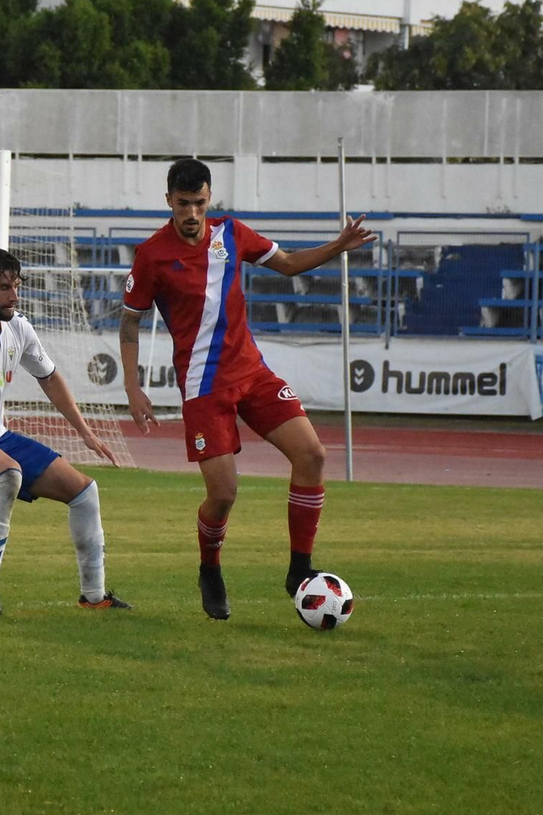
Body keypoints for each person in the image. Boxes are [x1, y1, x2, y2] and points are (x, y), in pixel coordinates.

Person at [119, 158, 375, 620]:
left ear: (209, 198)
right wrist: (133, 387)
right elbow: (130, 321)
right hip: (204, 388)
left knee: (313, 455)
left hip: (253, 374)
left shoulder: (232, 233)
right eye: (182, 204)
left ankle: (300, 568)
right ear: (168, 202)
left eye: (199, 203)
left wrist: (339, 245)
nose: (192, 213)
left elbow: (290, 265)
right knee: (223, 494)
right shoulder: (152, 254)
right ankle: (210, 569)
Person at [0, 245, 131, 615]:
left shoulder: (19, 327)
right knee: (9, 475)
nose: (13, 295)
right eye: (4, 287)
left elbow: (49, 378)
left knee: (84, 492)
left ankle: (94, 596)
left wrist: (84, 432)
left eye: (16, 285)